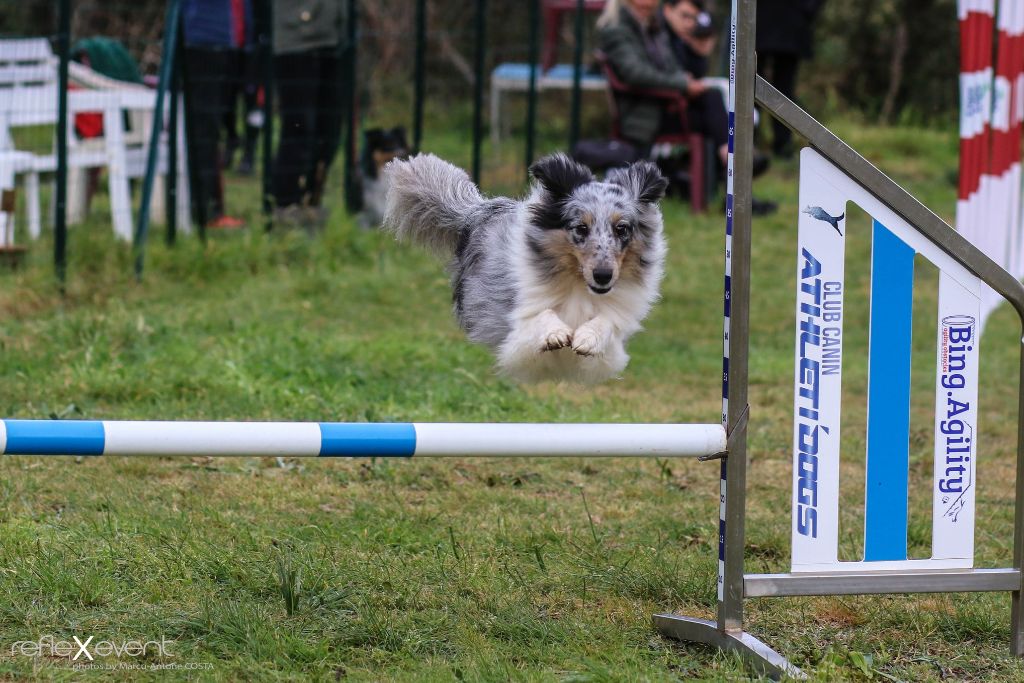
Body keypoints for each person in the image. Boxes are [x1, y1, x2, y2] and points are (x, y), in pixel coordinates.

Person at [597, 0, 773, 213]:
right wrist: (683, 83)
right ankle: (737, 165)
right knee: (712, 103)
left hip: (663, 106)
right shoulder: (617, 29)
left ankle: (734, 169)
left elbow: (672, 67)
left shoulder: (651, 26)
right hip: (643, 116)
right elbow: (634, 73)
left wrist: (687, 74)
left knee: (711, 98)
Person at [271, 0, 348, 229]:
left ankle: (312, 201)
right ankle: (286, 205)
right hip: (296, 39)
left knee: (330, 131)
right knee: (299, 127)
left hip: (334, 38)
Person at [181, 0, 248, 230]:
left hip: (219, 39)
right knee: (203, 130)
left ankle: (208, 209)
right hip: (200, 39)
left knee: (209, 130)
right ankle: (206, 212)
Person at [756, 0, 825, 158]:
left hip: (791, 25)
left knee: (784, 90)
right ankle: (749, 140)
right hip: (758, 22)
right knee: (750, 86)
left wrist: (807, 10)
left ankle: (782, 144)